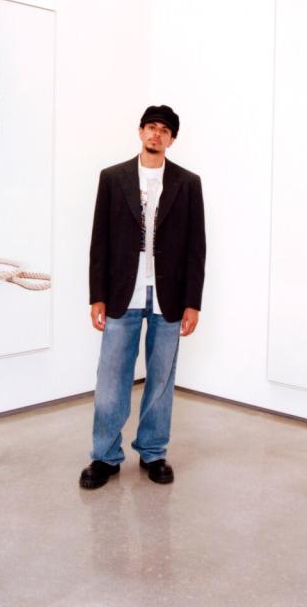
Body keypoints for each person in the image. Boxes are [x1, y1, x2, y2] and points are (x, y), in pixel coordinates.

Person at [80, 105, 206, 488]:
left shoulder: (188, 183)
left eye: (164, 130)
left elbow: (196, 247)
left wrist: (193, 302)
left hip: (167, 295)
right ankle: (105, 456)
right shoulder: (112, 178)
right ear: (140, 132)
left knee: (162, 379)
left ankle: (153, 452)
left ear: (172, 139)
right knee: (111, 378)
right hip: (123, 292)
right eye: (151, 127)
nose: (156, 134)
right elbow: (99, 240)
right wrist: (97, 295)